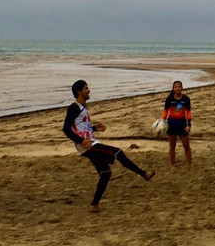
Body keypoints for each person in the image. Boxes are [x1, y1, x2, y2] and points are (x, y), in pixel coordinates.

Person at [63, 79, 155, 212]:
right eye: (86, 88)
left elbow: (81, 126)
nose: (89, 91)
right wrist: (80, 140)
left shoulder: (83, 107)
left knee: (105, 173)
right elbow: (66, 129)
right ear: (79, 92)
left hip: (90, 142)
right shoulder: (74, 107)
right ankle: (143, 174)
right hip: (87, 145)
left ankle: (94, 205)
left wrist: (94, 128)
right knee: (118, 152)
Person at [163, 80, 192, 167]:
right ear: (173, 88)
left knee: (186, 146)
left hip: (182, 124)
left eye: (179, 87)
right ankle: (173, 165)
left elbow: (189, 112)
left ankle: (190, 164)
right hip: (171, 124)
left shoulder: (186, 99)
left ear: (182, 88)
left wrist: (189, 124)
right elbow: (165, 111)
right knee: (172, 147)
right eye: (176, 87)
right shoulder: (169, 99)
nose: (177, 88)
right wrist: (162, 121)